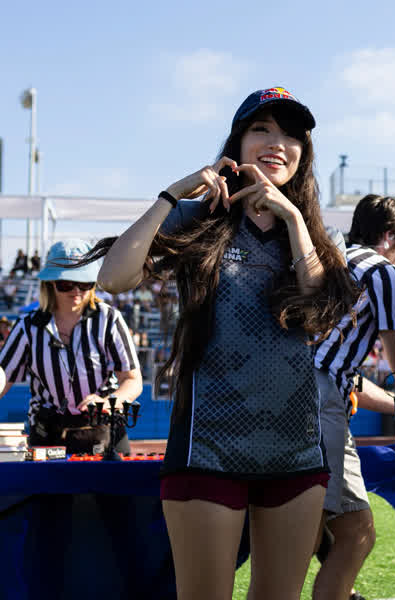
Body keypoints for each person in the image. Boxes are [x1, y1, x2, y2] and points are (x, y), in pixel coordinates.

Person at [72, 86, 360, 599]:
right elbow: (113, 278)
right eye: (261, 129)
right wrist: (170, 196)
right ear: (238, 142)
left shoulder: (319, 236)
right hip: (207, 451)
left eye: (291, 135)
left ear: (304, 152)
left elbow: (319, 316)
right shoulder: (199, 217)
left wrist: (294, 220)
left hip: (296, 454)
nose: (277, 143)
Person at [313, 194, 395, 600]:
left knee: (351, 529)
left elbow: (336, 367)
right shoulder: (384, 273)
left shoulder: (335, 258)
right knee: (310, 530)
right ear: (390, 236)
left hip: (304, 390)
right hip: (319, 404)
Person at [0, 239, 142, 455]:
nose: (76, 290)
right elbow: (3, 377)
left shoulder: (108, 319)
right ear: (50, 283)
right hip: (48, 432)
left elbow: (132, 379)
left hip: (104, 429)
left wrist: (107, 402)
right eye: (67, 283)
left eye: (84, 283)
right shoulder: (28, 326)